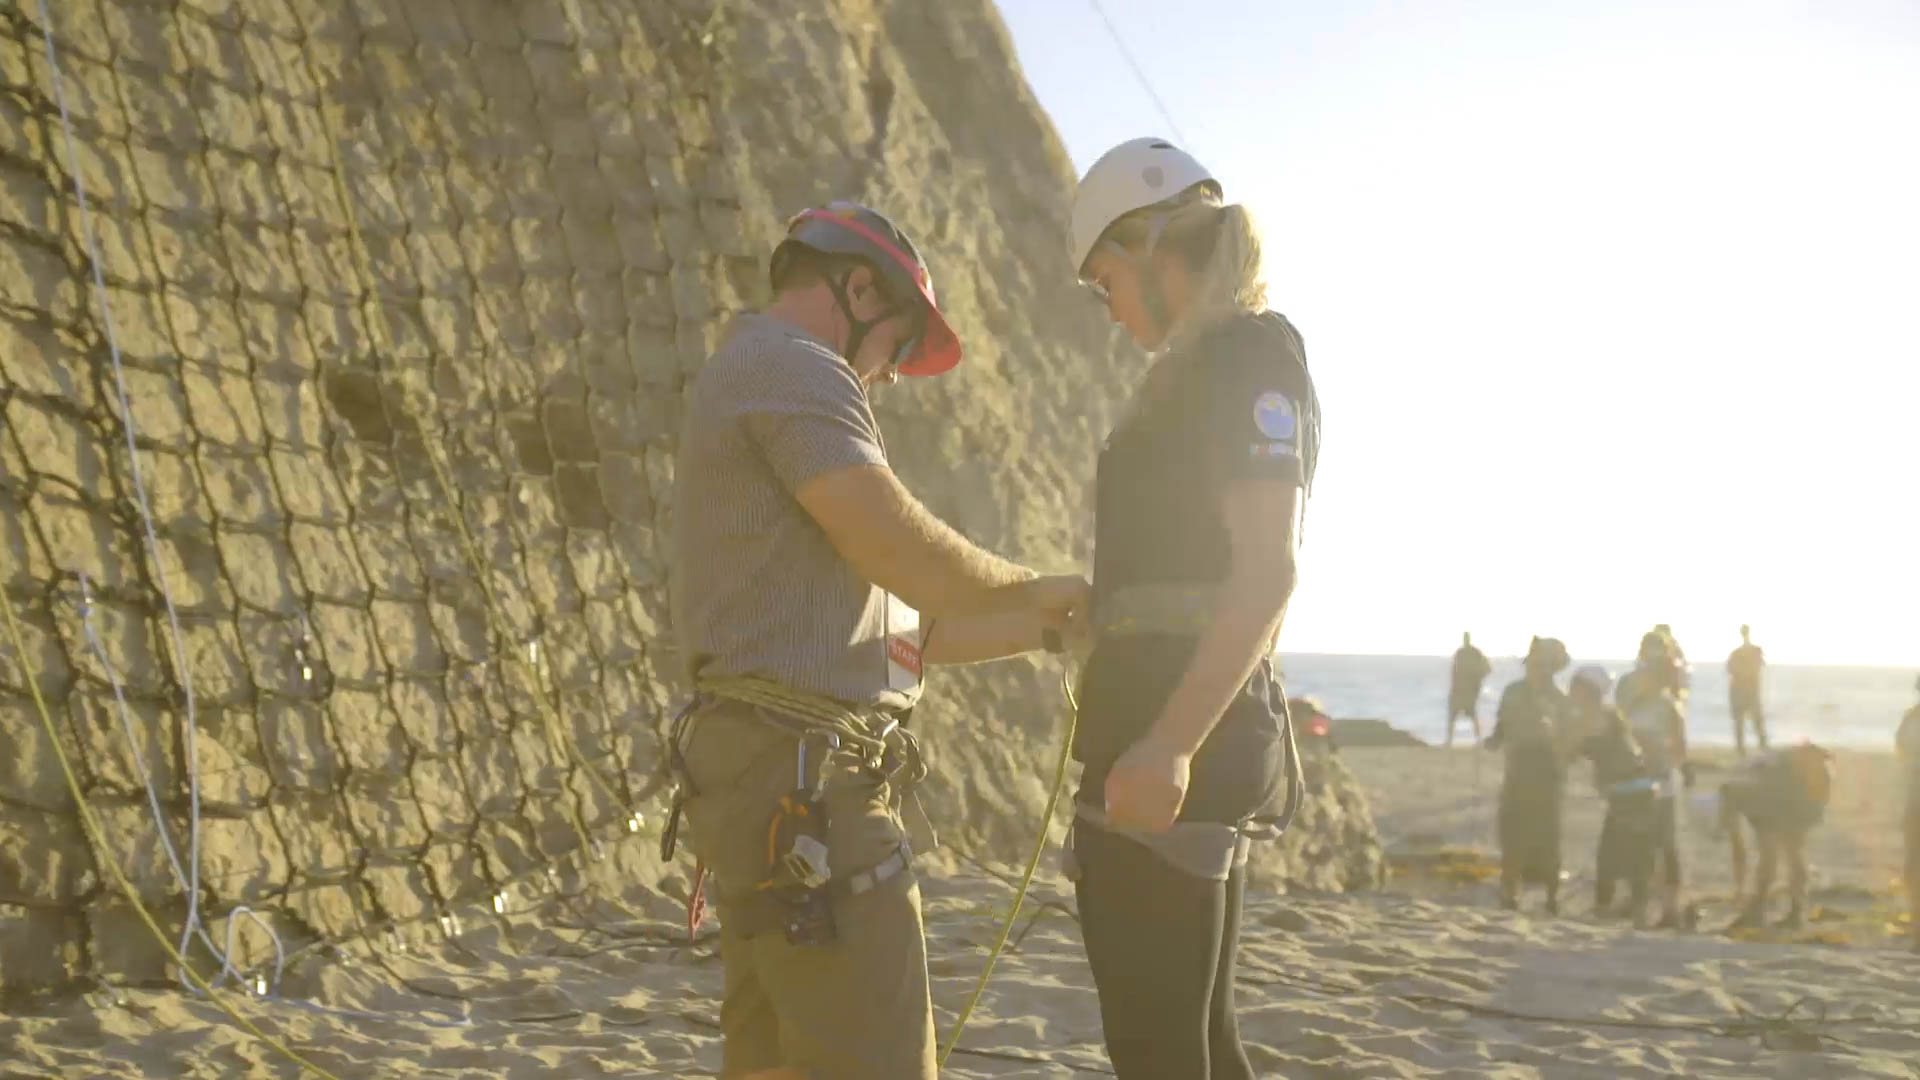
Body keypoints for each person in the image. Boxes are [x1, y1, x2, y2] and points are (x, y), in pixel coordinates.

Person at [665, 201, 1090, 1080]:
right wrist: (1034, 584)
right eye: (898, 343)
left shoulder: (769, 377)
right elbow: (896, 545)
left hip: (774, 777)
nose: (893, 374)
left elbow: (907, 631)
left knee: (776, 1057)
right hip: (805, 784)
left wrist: (1048, 627)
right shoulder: (796, 367)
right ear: (857, 287)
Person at [1065, 136, 1321, 1080]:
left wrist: (1170, 742)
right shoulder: (1205, 361)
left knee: (1158, 1051)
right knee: (1197, 1043)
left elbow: (1267, 571)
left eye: (1105, 281)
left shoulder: (1248, 355)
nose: (1107, 306)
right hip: (1162, 728)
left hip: (1175, 743)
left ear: (1154, 249)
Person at [1484, 637, 1572, 914]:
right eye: (1533, 664)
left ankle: (1551, 897)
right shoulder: (1513, 692)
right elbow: (1502, 725)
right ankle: (1510, 892)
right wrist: (1494, 740)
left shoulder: (1560, 700)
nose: (1535, 669)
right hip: (1519, 766)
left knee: (1548, 834)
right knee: (1512, 832)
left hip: (1547, 770)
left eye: (1541, 665)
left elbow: (1569, 740)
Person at [1569, 665, 1658, 921]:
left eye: (1575, 687)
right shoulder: (1605, 716)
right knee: (1629, 853)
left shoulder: (1598, 717)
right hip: (1631, 793)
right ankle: (1627, 908)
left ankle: (1609, 909)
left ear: (1589, 691)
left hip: (1631, 794)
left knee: (1614, 855)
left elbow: (1576, 747)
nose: (1571, 692)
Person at [1615, 632, 1690, 928]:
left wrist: (1660, 757)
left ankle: (1670, 908)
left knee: (1664, 844)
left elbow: (1679, 747)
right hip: (1633, 780)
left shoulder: (1668, 704)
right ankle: (1637, 904)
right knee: (1635, 843)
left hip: (1661, 780)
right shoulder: (1630, 696)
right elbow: (1618, 729)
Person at [1720, 743, 1834, 930]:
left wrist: (1740, 890)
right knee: (1793, 851)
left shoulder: (1740, 794)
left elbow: (1738, 850)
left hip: (1796, 789)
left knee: (1773, 854)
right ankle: (1794, 913)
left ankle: (1761, 912)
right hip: (1806, 786)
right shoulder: (1750, 778)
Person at [1899, 675, 1920, 952]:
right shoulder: (1911, 718)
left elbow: (1903, 750)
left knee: (1913, 864)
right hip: (1915, 798)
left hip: (1915, 797)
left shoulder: (1911, 718)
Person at [1726, 625, 1768, 757]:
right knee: (1748, 721)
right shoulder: (1746, 652)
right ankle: (1748, 748)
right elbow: (1732, 670)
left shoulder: (1746, 652)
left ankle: (1751, 747)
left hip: (1744, 690)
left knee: (1751, 721)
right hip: (1744, 690)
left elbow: (1732, 670)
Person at [1447, 632, 1493, 747]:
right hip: (1459, 691)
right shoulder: (1460, 653)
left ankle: (1478, 741)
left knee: (1472, 716)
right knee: (1453, 716)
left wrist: (1476, 681)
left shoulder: (1475, 653)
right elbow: (1454, 670)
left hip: (1469, 692)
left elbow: (1487, 669)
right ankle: (1449, 741)